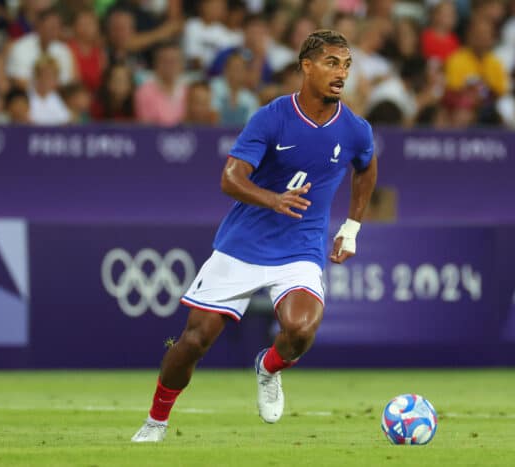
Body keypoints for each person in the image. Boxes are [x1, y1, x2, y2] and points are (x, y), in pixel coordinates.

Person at [131, 29, 378, 443]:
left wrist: (351, 228)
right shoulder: (272, 117)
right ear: (307, 67)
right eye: (332, 63)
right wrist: (272, 199)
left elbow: (366, 169)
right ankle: (155, 421)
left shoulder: (355, 129)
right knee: (195, 340)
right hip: (243, 244)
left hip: (300, 247)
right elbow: (230, 179)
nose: (341, 73)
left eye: (347, 65)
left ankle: (269, 367)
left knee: (301, 330)